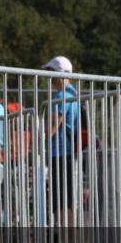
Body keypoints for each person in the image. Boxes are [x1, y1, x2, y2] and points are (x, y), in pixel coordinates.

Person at [43, 56, 81, 228]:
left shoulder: (60, 96)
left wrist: (38, 141)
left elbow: (50, 128)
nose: (49, 77)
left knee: (60, 201)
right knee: (67, 200)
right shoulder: (74, 93)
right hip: (68, 152)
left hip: (58, 152)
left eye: (50, 72)